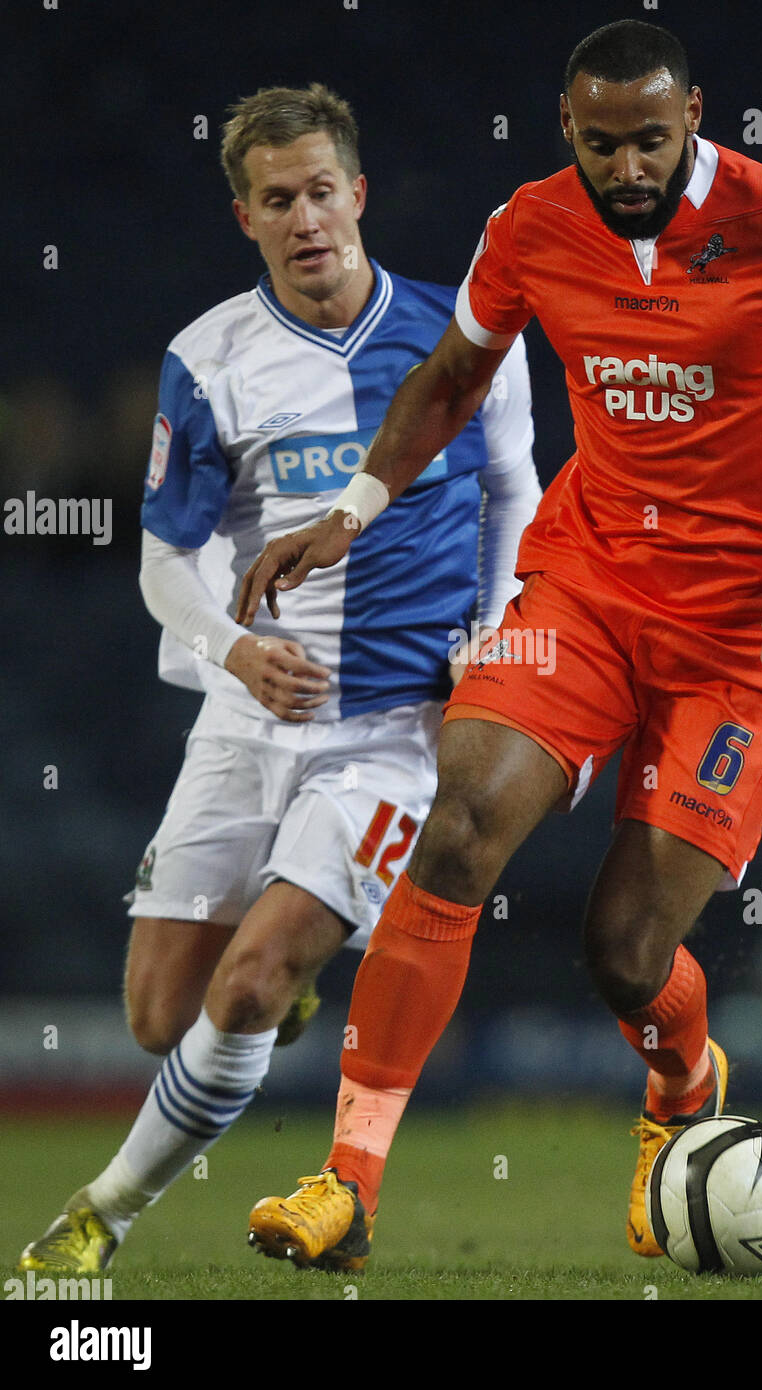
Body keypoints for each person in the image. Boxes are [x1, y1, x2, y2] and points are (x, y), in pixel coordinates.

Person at [238, 17, 762, 1273]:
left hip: (746, 635)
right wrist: (351, 510)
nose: (626, 167)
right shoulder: (530, 225)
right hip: (586, 588)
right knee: (461, 820)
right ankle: (346, 1182)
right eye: (600, 143)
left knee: (626, 953)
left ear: (691, 118)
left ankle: (682, 1088)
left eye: (649, 139)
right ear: (566, 130)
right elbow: (450, 375)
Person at [18, 83, 541, 1275]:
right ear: (244, 218)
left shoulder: (462, 336)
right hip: (248, 717)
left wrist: (493, 623)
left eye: (320, 192)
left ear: (357, 195)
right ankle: (282, 996)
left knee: (245, 988)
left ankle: (98, 1215)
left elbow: (516, 492)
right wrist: (238, 650)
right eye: (275, 200)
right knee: (162, 1016)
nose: (304, 218)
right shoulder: (208, 359)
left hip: (396, 729)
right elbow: (162, 564)